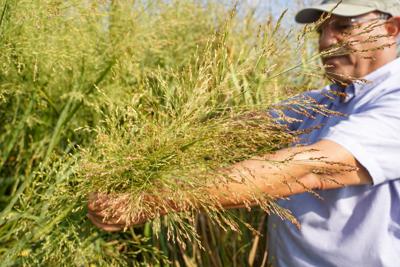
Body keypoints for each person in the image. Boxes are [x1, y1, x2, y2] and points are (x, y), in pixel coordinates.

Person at [88, 0, 400, 266]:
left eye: (344, 27)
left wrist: (155, 199)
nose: (325, 42)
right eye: (321, 30)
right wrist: (131, 158)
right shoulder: (323, 101)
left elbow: (310, 169)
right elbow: (227, 134)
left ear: (391, 30)